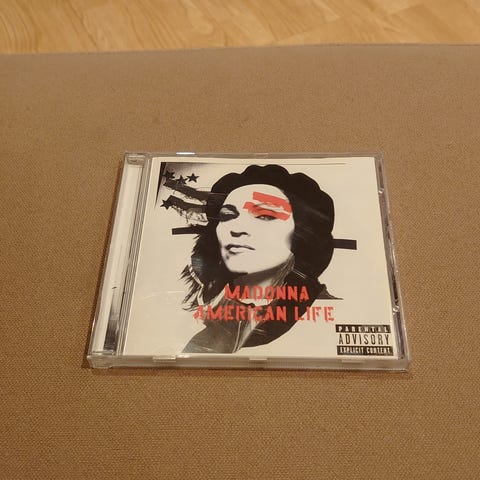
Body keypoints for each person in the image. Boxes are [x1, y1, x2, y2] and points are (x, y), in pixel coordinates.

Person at [181, 164, 335, 353]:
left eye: (265, 216)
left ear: (302, 232)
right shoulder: (204, 328)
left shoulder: (321, 317)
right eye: (227, 216)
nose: (237, 228)